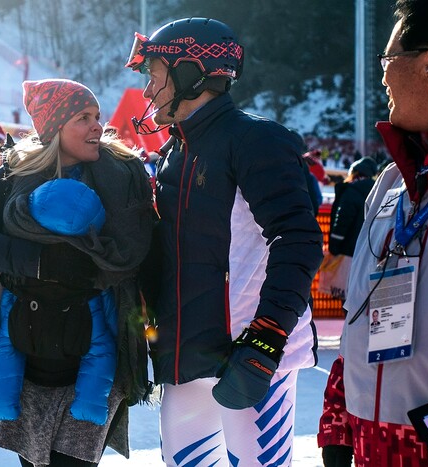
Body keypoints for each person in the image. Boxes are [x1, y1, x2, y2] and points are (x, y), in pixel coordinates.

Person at [125, 18, 324, 466]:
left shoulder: (257, 139)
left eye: (154, 74)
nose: (148, 90)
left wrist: (266, 341)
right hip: (186, 352)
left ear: (191, 75)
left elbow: (298, 241)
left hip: (248, 351)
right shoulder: (175, 150)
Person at [318, 1, 428, 466]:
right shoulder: (391, 182)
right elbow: (367, 314)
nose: (381, 78)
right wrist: (339, 422)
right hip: (372, 444)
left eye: (387, 60)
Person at [0, 79, 156, 467]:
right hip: (28, 354)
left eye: (97, 116)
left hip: (100, 350)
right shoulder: (16, 173)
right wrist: (39, 262)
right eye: (83, 118)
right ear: (54, 126)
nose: (98, 126)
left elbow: (144, 250)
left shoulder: (126, 173)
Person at [325, 156, 377, 302]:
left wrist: (334, 248)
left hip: (349, 252)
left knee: (348, 298)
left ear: (354, 172)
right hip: (373, 252)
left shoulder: (351, 191)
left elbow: (342, 222)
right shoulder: (380, 190)